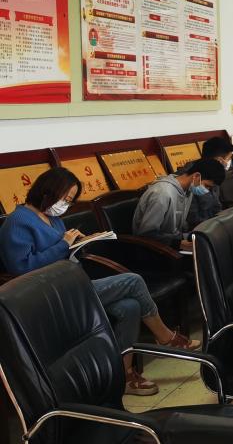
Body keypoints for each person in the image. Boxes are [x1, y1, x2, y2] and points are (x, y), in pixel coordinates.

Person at [0, 168, 198, 395]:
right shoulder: (18, 222)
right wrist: (64, 244)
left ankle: (123, 376)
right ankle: (165, 336)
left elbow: (62, 250)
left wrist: (80, 243)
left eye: (70, 200)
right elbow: (22, 268)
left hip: (72, 282)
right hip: (51, 295)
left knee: (130, 307)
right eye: (65, 198)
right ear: (47, 191)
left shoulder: (52, 218)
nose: (65, 204)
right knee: (133, 281)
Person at [132, 158, 226, 250]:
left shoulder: (187, 191)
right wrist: (178, 244)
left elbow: (178, 228)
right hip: (153, 249)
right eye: (207, 186)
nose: (207, 191)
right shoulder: (162, 193)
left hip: (170, 242)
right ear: (196, 176)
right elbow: (146, 234)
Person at [187, 136, 233, 226]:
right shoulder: (193, 176)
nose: (228, 163)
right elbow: (193, 218)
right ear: (219, 160)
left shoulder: (214, 172)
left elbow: (216, 206)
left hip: (212, 224)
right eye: (228, 159)